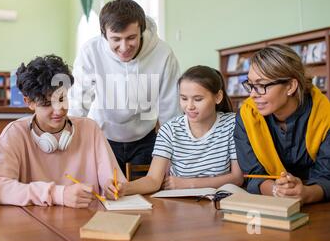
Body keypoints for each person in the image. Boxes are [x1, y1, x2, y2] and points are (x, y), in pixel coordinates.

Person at [0, 55, 126, 208]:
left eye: (62, 99)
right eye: (47, 104)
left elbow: (114, 181)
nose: (58, 110)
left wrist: (113, 187)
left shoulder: (90, 129)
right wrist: (59, 194)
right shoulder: (15, 133)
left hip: (86, 223)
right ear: (29, 102)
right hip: (35, 225)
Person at [69, 0, 181, 175]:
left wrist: (175, 156)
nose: (124, 47)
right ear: (104, 34)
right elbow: (78, 103)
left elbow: (170, 109)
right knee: (107, 195)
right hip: (103, 137)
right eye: (116, 39)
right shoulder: (90, 51)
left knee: (145, 194)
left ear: (141, 30)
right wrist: (68, 140)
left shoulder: (163, 53)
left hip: (146, 140)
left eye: (131, 38)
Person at [109, 66, 243, 196]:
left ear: (218, 97)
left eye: (198, 99)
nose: (189, 106)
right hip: (180, 205)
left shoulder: (233, 124)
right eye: (184, 98)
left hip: (220, 203)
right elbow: (153, 180)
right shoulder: (169, 129)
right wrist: (125, 188)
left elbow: (237, 178)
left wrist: (188, 184)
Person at [235, 44, 330, 204]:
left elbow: (327, 176)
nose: (252, 94)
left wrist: (306, 193)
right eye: (250, 84)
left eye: (262, 85)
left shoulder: (325, 115)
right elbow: (253, 174)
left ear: (291, 86)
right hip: (271, 204)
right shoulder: (247, 116)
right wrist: (277, 191)